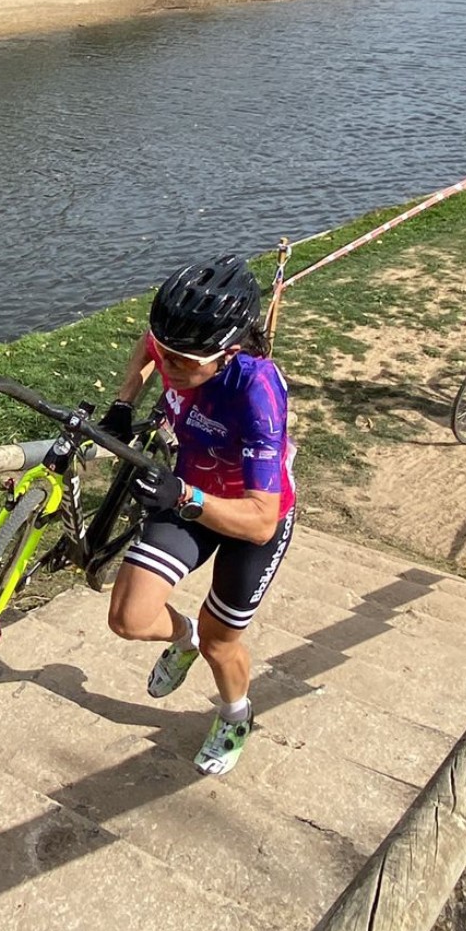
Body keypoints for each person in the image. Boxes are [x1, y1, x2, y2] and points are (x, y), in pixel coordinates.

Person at [97, 256, 297, 777]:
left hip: (247, 519)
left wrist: (185, 496)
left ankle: (235, 715)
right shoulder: (179, 346)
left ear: (228, 352)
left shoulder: (257, 393)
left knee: (218, 642)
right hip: (185, 492)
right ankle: (181, 638)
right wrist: (124, 402)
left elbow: (261, 521)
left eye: (183, 362)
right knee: (128, 619)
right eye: (167, 353)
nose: (169, 367)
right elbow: (149, 345)